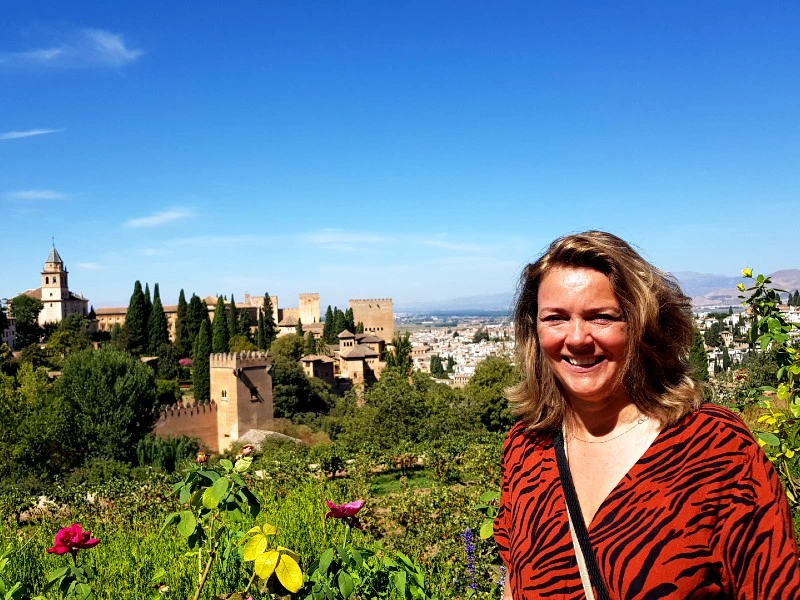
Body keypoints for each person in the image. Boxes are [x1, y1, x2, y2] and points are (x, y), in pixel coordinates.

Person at [494, 231, 800, 599]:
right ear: (535, 331)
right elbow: (514, 582)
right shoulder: (526, 447)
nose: (576, 338)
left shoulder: (716, 449)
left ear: (642, 326)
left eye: (602, 317)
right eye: (555, 318)